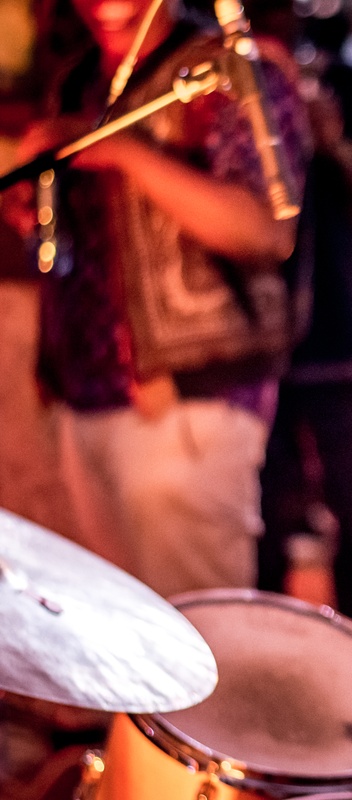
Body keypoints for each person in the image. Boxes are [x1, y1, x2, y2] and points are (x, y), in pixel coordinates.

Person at [4, 0, 309, 599]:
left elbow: (266, 231)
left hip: (189, 397)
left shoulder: (230, 69)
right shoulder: (78, 81)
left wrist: (125, 153)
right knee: (120, 643)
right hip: (84, 394)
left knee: (201, 630)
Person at [247, 8, 352, 658]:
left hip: (342, 337)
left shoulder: (349, 86)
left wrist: (331, 145)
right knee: (260, 522)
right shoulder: (216, 84)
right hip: (247, 347)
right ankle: (264, 668)